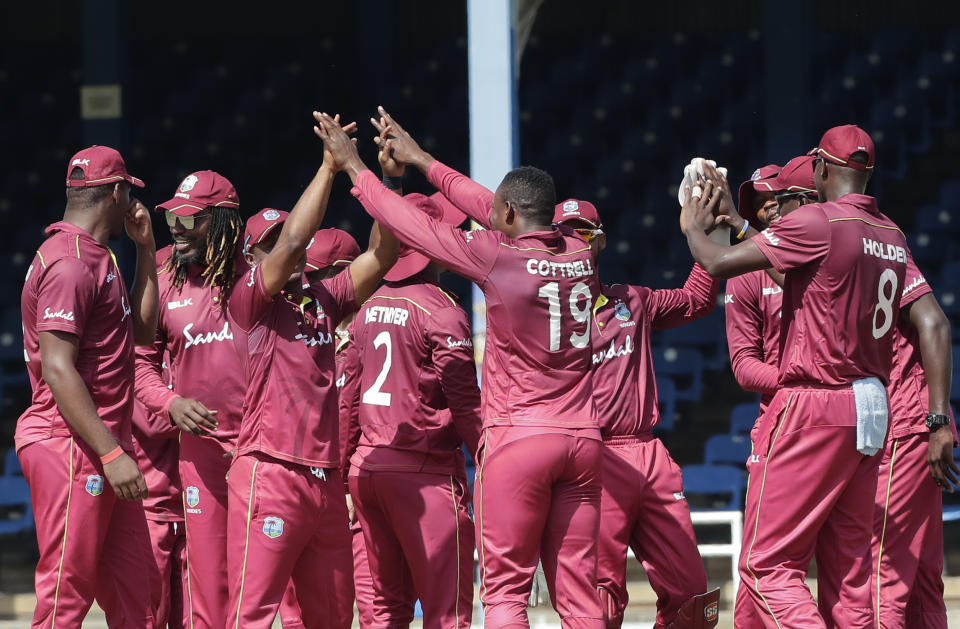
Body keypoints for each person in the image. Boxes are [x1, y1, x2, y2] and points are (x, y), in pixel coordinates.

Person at [325, 107, 605, 629]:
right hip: (583, 440)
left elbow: (413, 225)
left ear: (508, 217)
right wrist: (424, 161)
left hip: (517, 439)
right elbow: (493, 207)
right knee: (580, 600)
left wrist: (357, 170)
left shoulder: (495, 259)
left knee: (503, 597)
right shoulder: (580, 254)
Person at [679, 125, 920, 627]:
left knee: (765, 568)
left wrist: (690, 225)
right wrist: (744, 227)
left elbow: (718, 261)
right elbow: (803, 273)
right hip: (871, 405)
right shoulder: (890, 233)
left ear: (821, 170)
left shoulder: (816, 222)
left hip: (816, 400)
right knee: (853, 573)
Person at [225, 111, 399, 629]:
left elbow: (384, 254)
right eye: (270, 243)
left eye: (285, 238)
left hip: (325, 481)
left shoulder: (324, 297)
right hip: (270, 469)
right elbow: (295, 245)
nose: (287, 248)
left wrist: (385, 180)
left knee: (330, 620)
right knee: (249, 617)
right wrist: (330, 167)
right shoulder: (247, 299)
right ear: (250, 255)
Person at [553, 199, 721, 628]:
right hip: (591, 458)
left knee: (693, 598)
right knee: (600, 602)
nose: (573, 244)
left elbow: (697, 300)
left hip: (647, 453)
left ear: (601, 242)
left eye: (583, 235)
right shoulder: (541, 317)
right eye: (563, 236)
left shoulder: (633, 301)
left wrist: (703, 233)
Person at [17, 145, 160, 627]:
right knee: (65, 592)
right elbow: (58, 368)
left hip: (100, 446)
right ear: (117, 192)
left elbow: (141, 335)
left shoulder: (98, 256)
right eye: (128, 193)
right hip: (73, 445)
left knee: (139, 593)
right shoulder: (71, 261)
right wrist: (113, 454)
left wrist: (145, 250)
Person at [347, 191, 481, 629]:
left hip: (367, 469)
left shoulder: (365, 308)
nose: (456, 235)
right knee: (448, 613)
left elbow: (349, 398)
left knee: (385, 609)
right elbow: (464, 401)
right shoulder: (443, 310)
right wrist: (489, 453)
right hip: (422, 474)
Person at [131, 245, 188, 629]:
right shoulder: (136, 353)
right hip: (152, 507)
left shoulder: (195, 345)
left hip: (195, 507)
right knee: (148, 617)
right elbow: (151, 421)